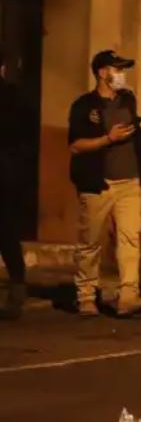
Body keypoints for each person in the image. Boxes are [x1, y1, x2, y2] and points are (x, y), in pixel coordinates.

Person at [68, 50, 141, 317]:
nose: (121, 74)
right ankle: (86, 295)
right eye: (117, 69)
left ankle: (128, 294)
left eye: (123, 69)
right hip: (99, 184)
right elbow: (76, 145)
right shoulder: (84, 106)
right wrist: (108, 139)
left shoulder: (128, 99)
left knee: (130, 238)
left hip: (129, 182)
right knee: (91, 241)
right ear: (102, 72)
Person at [0, 62, 28, 320]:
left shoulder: (11, 96)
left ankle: (17, 291)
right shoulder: (14, 95)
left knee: (6, 231)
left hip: (6, 168)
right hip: (9, 167)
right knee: (7, 232)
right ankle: (17, 290)